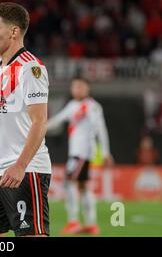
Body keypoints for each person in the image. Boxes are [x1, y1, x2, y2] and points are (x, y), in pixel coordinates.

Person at [0, 2, 51, 237]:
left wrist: (20, 165)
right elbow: (3, 120)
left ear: (14, 32)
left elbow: (40, 122)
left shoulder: (31, 68)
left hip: (25, 171)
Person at [47, 77, 113, 235]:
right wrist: (39, 127)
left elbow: (100, 130)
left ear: (87, 89)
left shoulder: (92, 107)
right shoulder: (72, 105)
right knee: (83, 186)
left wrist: (105, 152)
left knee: (69, 183)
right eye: (75, 87)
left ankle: (73, 221)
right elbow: (57, 120)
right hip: (76, 152)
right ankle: (91, 223)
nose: (77, 89)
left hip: (82, 153)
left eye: (80, 87)